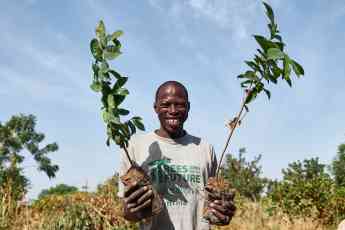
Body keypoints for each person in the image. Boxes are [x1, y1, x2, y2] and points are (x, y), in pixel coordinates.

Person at [117, 81, 236, 230]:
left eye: (179, 104)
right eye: (166, 105)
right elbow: (127, 212)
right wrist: (132, 210)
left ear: (188, 107)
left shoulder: (205, 149)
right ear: (155, 107)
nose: (173, 110)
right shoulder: (136, 146)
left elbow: (214, 204)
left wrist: (223, 211)